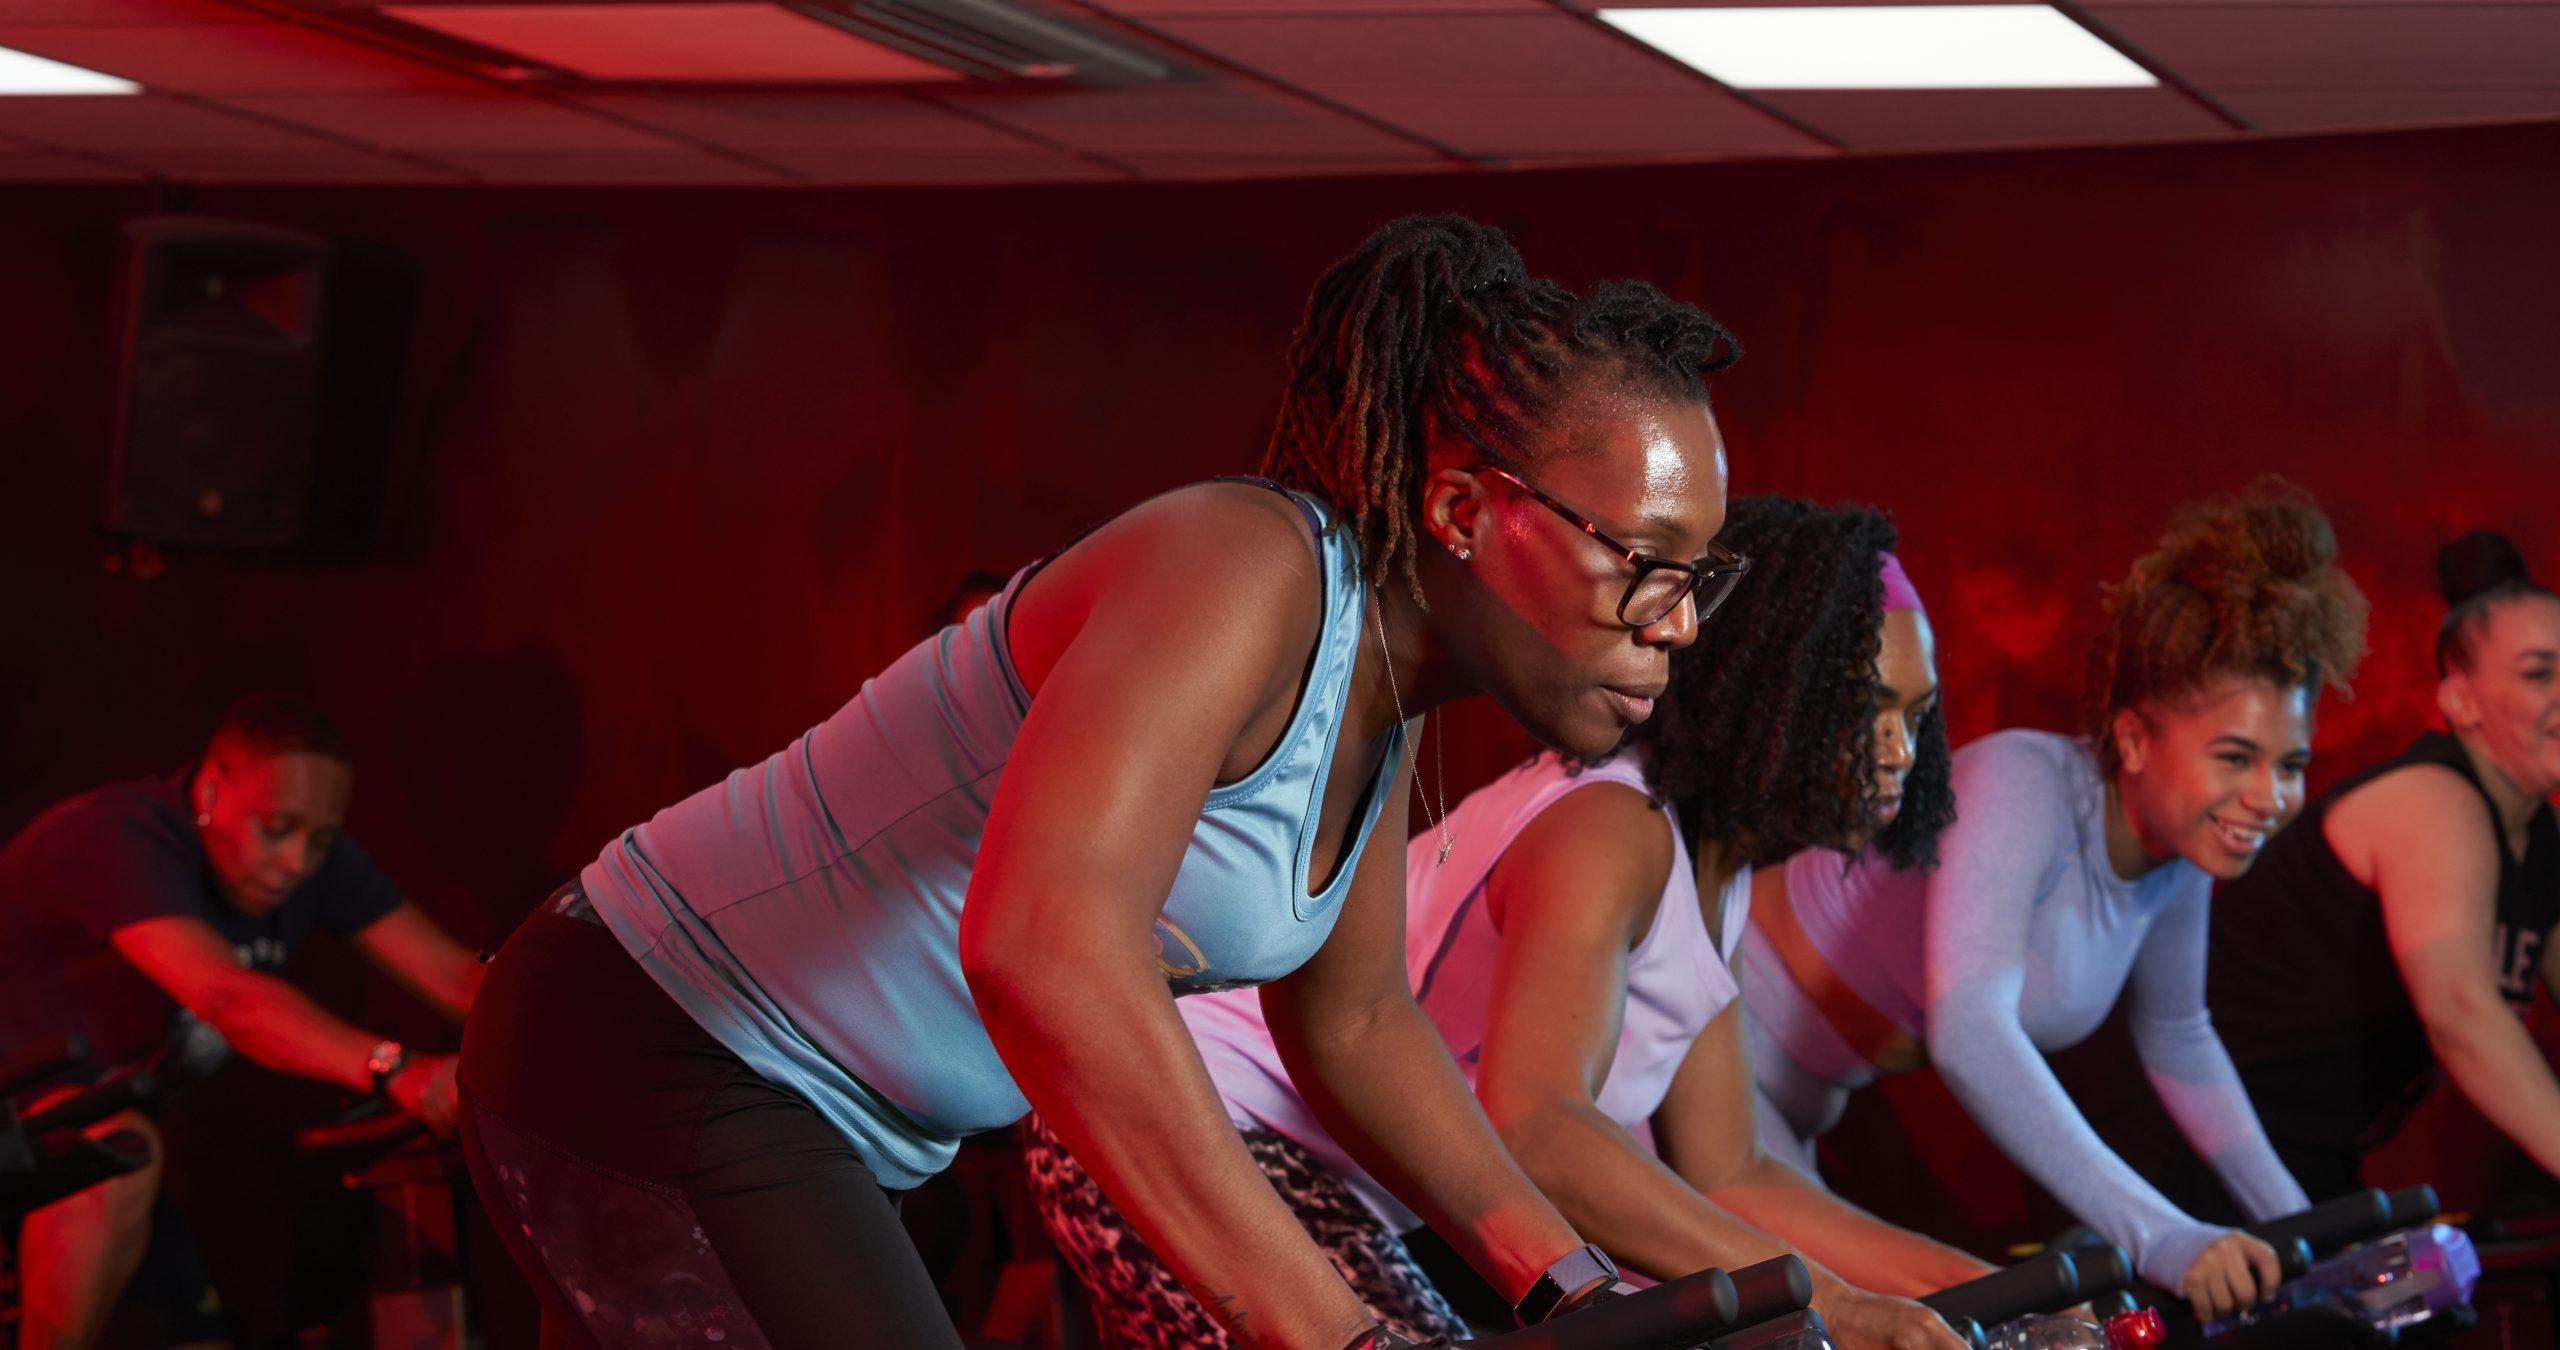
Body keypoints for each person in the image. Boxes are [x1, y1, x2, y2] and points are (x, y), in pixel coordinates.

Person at [456, 214, 1752, 1350]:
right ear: (1466, 510)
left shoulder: (1384, 686)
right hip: (654, 1038)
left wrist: (1580, 1288)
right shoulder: (1240, 562)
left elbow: (1353, 1026)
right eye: (1649, 557)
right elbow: (1044, 948)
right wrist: (1328, 1326)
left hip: (824, 1116)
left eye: (1703, 575)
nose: (1680, 621)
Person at [1025, 498, 1994, 1350]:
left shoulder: (1715, 872)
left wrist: (1965, 1296)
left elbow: (1734, 1170)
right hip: (1202, 1123)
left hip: (1341, 1185)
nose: (1895, 750)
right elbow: (1541, 1130)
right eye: (1861, 705)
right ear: (1769, 688)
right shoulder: (1612, 829)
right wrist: (1835, 1301)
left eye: (1917, 716)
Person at [1741, 481, 2369, 1320]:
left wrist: (2309, 1231)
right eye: (2235, 757)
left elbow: (2181, 1039)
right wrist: (2163, 1235)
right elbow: (1971, 1032)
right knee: (1964, 1315)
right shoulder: (2020, 783)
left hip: (1808, 1098)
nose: (2268, 796)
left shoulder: (2180, 854)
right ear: (2134, 737)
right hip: (1712, 1055)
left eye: (2288, 766)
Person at [0, 693, 483, 1350]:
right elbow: (227, 998)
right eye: (276, 827)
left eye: (319, 839)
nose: (296, 862)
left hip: (95, 1168)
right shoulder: (114, 838)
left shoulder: (311, 861)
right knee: (115, 1151)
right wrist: (401, 1071)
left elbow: (459, 979)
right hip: (42, 1150)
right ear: (210, 785)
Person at [2181, 530, 2560, 1202]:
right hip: (2188, 1148)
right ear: (2459, 700)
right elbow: (2462, 1013)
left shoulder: (2540, 838)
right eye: (2539, 673)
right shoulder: (2433, 800)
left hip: (2297, 1158)